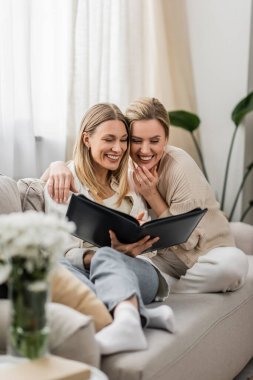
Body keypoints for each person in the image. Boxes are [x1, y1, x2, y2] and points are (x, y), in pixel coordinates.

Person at [44, 97, 249, 294]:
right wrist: (56, 165)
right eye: (135, 140)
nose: (144, 150)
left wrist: (152, 195)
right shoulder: (123, 167)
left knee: (233, 264)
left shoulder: (178, 168)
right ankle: (158, 286)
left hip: (199, 254)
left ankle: (170, 288)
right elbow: (59, 178)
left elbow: (188, 241)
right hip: (155, 259)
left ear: (166, 140)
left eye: (154, 141)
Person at [43, 103, 174, 355]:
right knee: (53, 266)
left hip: (139, 274)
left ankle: (128, 319)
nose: (119, 148)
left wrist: (132, 250)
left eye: (123, 140)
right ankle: (133, 314)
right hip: (85, 273)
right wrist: (100, 255)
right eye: (109, 139)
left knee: (105, 256)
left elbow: (149, 249)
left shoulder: (131, 182)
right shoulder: (64, 181)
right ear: (87, 139)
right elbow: (59, 249)